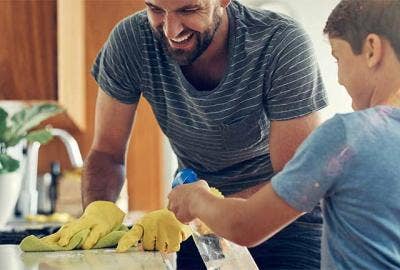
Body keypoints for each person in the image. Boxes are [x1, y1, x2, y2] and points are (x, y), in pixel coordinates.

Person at [50, 0, 327, 269]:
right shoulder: (132, 41)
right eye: (156, 9)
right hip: (195, 226)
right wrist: (97, 211)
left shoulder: (279, 43)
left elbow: (296, 181)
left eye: (189, 10)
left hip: (284, 223)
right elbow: (106, 153)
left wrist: (206, 207)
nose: (171, 31)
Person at [168, 0, 400, 269]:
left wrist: (195, 199)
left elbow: (246, 225)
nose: (339, 78)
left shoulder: (347, 135)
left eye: (338, 57)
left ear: (372, 49)